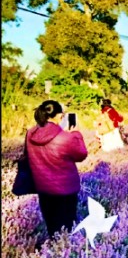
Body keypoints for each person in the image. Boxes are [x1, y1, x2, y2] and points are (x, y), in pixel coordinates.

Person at [25, 100, 89, 239]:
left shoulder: (30, 134)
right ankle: (64, 253)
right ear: (59, 116)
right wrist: (76, 134)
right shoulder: (65, 137)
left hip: (43, 188)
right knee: (67, 227)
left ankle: (53, 253)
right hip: (65, 189)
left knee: (52, 226)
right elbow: (81, 154)